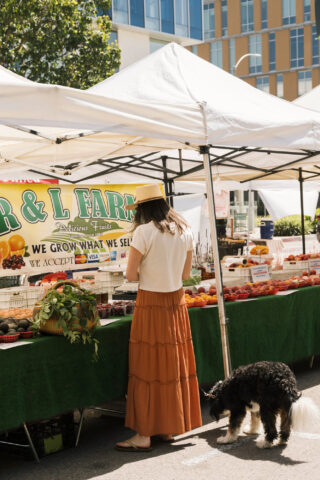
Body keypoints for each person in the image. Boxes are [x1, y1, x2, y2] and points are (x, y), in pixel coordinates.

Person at [116, 184, 202, 452]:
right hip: (176, 303)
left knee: (147, 368)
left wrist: (149, 270)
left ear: (142, 209)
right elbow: (186, 274)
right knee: (171, 366)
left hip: (151, 303)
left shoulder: (143, 232)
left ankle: (144, 435)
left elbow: (130, 275)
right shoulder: (185, 229)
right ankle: (167, 428)